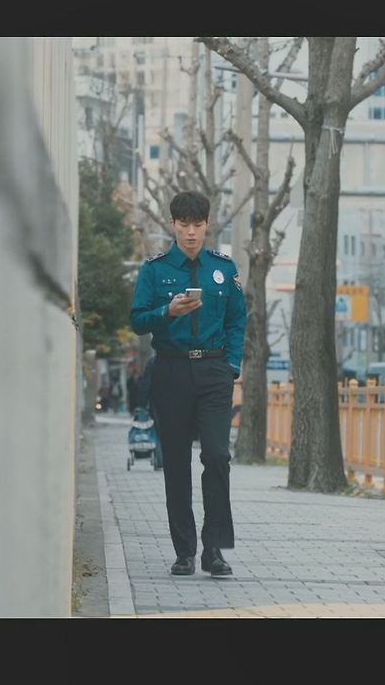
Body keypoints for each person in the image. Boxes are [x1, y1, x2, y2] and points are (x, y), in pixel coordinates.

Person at [130, 190, 247, 578]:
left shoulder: (223, 268)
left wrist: (231, 366)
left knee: (216, 455)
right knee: (176, 463)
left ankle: (214, 548)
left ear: (208, 225)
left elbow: (237, 320)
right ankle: (184, 551)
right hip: (171, 371)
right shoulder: (155, 270)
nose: (191, 232)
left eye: (198, 225)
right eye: (184, 225)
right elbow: (137, 320)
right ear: (173, 225)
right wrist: (168, 311)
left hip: (214, 372)